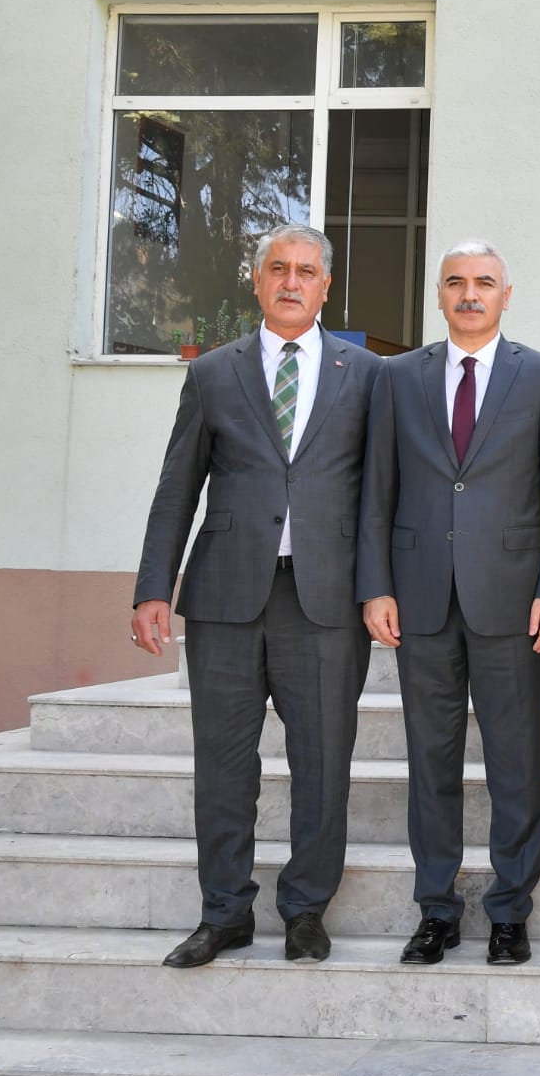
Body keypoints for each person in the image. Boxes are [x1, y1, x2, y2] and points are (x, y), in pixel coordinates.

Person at [129, 224, 380, 968]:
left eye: (306, 271)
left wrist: (381, 590)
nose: (292, 281)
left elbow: (382, 496)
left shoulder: (367, 374)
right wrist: (153, 587)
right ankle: (224, 912)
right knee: (225, 763)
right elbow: (177, 488)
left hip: (326, 600)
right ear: (257, 279)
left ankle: (305, 910)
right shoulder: (213, 372)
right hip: (223, 599)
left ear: (326, 285)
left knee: (323, 762)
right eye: (279, 268)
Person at [356, 240, 540, 967]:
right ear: (439, 294)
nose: (470, 293)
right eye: (456, 282)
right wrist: (376, 584)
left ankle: (511, 909)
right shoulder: (396, 377)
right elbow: (376, 489)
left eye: (484, 282)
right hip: (419, 598)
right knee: (431, 758)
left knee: (514, 759)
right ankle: (436, 909)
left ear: (506, 294)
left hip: (512, 600)